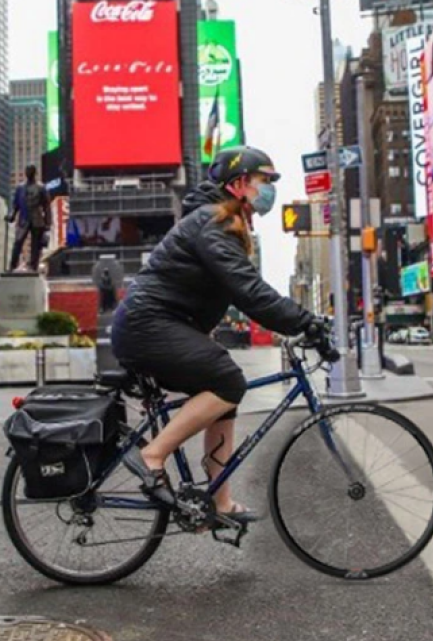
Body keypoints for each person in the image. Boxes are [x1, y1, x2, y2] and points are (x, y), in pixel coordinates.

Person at [111, 146, 323, 523]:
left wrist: (296, 320)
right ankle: (152, 455)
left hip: (157, 324)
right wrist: (304, 321)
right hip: (147, 325)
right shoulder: (214, 222)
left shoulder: (225, 221)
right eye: (264, 181)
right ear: (239, 184)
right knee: (228, 380)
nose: (269, 189)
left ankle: (218, 502)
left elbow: (234, 291)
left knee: (226, 394)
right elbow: (249, 291)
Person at [6, 165, 51, 272]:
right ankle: (12, 266)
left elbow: (47, 206)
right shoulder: (20, 188)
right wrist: (12, 215)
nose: (28, 173)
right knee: (18, 242)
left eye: (30, 171)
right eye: (27, 171)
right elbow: (15, 205)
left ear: (34, 173)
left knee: (35, 245)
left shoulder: (41, 188)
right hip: (23, 219)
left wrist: (48, 223)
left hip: (37, 219)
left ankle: (33, 266)